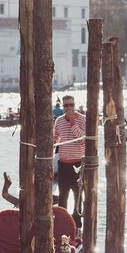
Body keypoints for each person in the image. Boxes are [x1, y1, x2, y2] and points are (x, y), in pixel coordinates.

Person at [53, 95, 86, 228]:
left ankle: (77, 225)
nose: (69, 108)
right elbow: (56, 139)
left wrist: (73, 123)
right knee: (63, 196)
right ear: (63, 107)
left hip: (78, 164)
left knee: (78, 196)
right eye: (66, 105)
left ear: (74, 105)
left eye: (71, 105)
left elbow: (82, 140)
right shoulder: (59, 121)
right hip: (63, 164)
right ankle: (62, 225)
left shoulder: (83, 120)